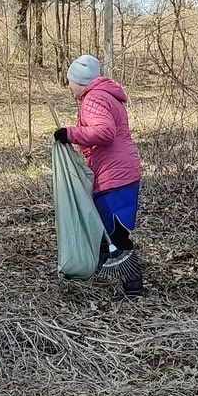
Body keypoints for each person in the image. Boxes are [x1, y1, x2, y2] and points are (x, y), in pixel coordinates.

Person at [54, 54, 144, 299]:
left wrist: (69, 134)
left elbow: (104, 132)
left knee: (115, 232)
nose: (69, 87)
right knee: (109, 230)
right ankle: (111, 277)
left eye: (70, 82)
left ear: (79, 81)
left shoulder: (94, 97)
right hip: (120, 171)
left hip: (114, 175)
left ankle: (133, 288)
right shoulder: (106, 95)